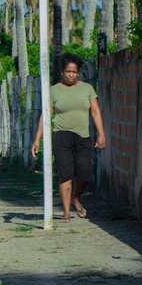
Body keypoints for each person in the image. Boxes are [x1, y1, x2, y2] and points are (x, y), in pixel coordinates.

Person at [31, 54, 107, 223]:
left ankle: (76, 198)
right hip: (61, 135)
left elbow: (95, 111)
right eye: (68, 71)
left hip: (83, 136)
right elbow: (46, 115)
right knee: (65, 174)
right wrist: (37, 139)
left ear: (78, 72)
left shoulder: (87, 89)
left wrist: (101, 133)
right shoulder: (54, 90)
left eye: (74, 72)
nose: (71, 75)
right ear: (62, 72)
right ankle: (66, 212)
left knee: (84, 173)